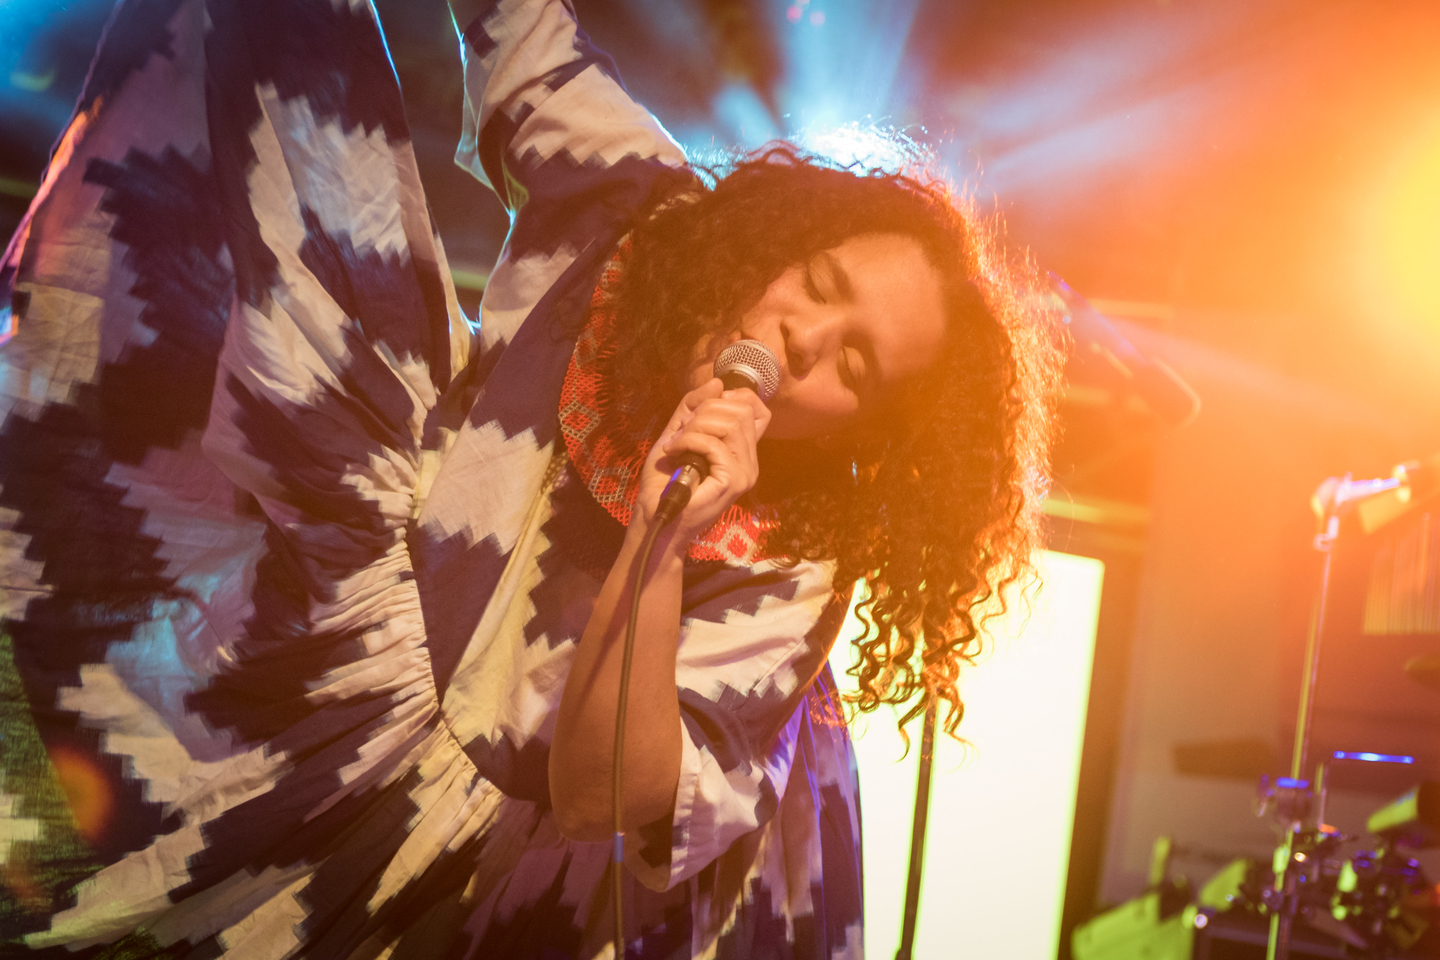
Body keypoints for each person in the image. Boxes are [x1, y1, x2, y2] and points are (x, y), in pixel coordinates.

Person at [0, 0, 1058, 956]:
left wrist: (664, 540)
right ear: (783, 247)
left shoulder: (793, 569)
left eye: (857, 364)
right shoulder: (636, 202)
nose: (807, 334)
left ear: (860, 437)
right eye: (820, 283)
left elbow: (603, 794)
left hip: (441, 859)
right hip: (322, 625)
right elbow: (522, 32)